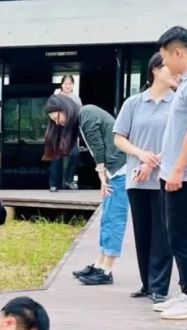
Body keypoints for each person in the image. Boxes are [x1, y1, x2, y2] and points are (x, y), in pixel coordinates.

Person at [114, 53, 178, 304]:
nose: (175, 73)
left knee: (163, 235)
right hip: (137, 179)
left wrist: (152, 162)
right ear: (155, 70)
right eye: (169, 68)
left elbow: (180, 140)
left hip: (166, 178)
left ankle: (159, 287)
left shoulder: (178, 103)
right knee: (142, 233)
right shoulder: (134, 103)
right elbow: (119, 138)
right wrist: (141, 155)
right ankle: (147, 283)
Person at [45, 95, 129, 286]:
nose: (58, 122)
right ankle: (100, 264)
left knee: (114, 219)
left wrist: (101, 174)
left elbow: (98, 146)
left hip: (121, 170)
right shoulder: (83, 116)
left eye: (57, 117)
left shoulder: (87, 113)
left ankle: (106, 270)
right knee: (107, 219)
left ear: (65, 108)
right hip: (115, 170)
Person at [155, 26, 187, 321]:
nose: (164, 64)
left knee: (183, 236)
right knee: (177, 236)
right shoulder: (186, 83)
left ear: (177, 52)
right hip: (175, 173)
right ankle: (186, 289)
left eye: (165, 57)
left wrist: (178, 169)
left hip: (184, 177)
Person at [49, 75, 81, 192]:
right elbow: (51, 112)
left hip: (72, 130)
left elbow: (80, 114)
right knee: (57, 157)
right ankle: (54, 184)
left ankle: (68, 181)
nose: (68, 86)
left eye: (70, 83)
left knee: (74, 154)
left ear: (73, 85)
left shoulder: (76, 99)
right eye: (65, 83)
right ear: (62, 85)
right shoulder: (56, 97)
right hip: (58, 130)